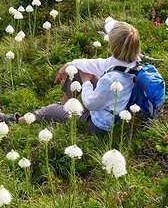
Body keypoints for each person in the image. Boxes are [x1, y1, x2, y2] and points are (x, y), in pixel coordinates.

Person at [10, 18, 142, 135]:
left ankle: (17, 120)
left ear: (113, 46)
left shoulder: (111, 79)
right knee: (78, 69)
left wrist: (86, 82)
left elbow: (91, 103)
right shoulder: (132, 61)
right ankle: (65, 106)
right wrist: (69, 65)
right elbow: (96, 64)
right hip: (114, 107)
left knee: (49, 110)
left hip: (100, 125)